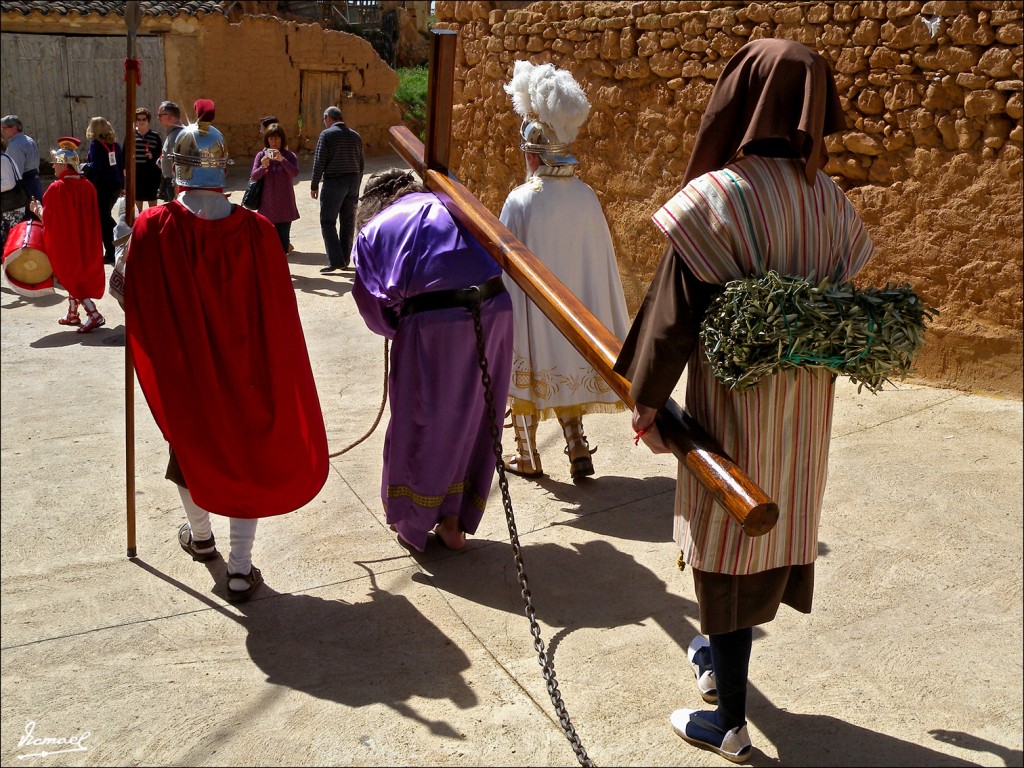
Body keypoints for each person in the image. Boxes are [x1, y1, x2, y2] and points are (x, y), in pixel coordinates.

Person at [612, 39, 875, 763]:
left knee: (727, 537)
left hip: (736, 408)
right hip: (806, 411)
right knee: (775, 519)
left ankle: (727, 722)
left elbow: (671, 316)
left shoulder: (718, 196)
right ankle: (713, 655)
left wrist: (645, 403)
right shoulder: (830, 202)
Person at [124, 101, 329, 602]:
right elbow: (280, 314)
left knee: (190, 450)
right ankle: (240, 569)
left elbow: (130, 297)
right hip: (249, 371)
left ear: (177, 167)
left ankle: (200, 539)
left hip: (188, 369)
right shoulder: (258, 230)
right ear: (223, 168)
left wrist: (123, 238)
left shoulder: (153, 227)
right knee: (245, 457)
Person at [352, 169, 513, 552]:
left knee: (423, 419)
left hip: (435, 326)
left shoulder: (376, 228)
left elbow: (372, 307)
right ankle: (453, 522)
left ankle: (413, 524)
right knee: (473, 417)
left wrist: (400, 326)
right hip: (496, 310)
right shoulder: (455, 204)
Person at [498, 61, 630, 481]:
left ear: (533, 154)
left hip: (534, 308)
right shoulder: (586, 195)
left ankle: (527, 455)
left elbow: (505, 263)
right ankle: (575, 447)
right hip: (576, 312)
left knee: (528, 364)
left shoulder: (522, 200)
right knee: (565, 363)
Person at [32, 137, 106, 333]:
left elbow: (49, 218)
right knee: (78, 274)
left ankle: (93, 313)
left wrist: (37, 209)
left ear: (65, 165)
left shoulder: (57, 188)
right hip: (86, 239)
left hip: (67, 240)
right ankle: (73, 313)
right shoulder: (88, 185)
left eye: (56, 164)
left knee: (70, 275)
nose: (54, 168)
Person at [310, 105, 363, 274]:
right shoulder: (355, 136)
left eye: (324, 120)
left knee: (328, 220)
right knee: (347, 221)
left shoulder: (326, 135)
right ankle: (345, 259)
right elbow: (361, 164)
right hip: (353, 180)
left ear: (328, 118)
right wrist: (357, 184)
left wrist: (314, 184)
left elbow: (319, 161)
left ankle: (335, 260)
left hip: (334, 181)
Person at [249, 122, 299, 254]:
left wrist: (282, 160)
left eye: (277, 138)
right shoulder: (261, 156)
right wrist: (263, 167)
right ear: (267, 140)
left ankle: (281, 272)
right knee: (267, 242)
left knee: (283, 243)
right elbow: (254, 176)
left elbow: (294, 173)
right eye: (271, 138)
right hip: (267, 206)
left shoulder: (289, 156)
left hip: (284, 205)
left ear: (282, 139)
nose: (274, 141)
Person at [81, 116, 125, 264]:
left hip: (103, 185)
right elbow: (120, 167)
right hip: (115, 183)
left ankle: (113, 249)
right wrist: (122, 185)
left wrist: (83, 167)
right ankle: (116, 242)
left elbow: (97, 167)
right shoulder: (115, 145)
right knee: (105, 217)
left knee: (103, 219)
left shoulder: (95, 145)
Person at [0, 115, 43, 203]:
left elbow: (16, 172)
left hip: (25, 184)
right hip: (35, 180)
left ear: (14, 128)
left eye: (4, 127)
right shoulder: (28, 139)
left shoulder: (15, 145)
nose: (2, 130)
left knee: (29, 213)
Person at [132, 107, 162, 212]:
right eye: (139, 119)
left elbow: (160, 153)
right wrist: (124, 168)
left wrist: (153, 156)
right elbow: (124, 153)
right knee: (138, 197)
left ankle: (153, 219)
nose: (141, 122)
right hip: (136, 172)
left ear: (148, 120)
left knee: (152, 197)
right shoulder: (131, 136)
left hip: (151, 173)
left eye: (144, 119)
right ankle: (139, 219)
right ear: (135, 121)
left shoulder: (155, 136)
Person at [156, 101, 184, 202]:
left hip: (175, 184)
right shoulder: (174, 134)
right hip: (171, 183)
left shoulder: (178, 135)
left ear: (169, 116)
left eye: (160, 115)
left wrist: (176, 190)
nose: (158, 118)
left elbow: (179, 165)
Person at [1, 136, 26, 245]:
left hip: (11, 208)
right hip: (8, 207)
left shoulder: (2, 160)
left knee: (12, 242)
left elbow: (9, 183)